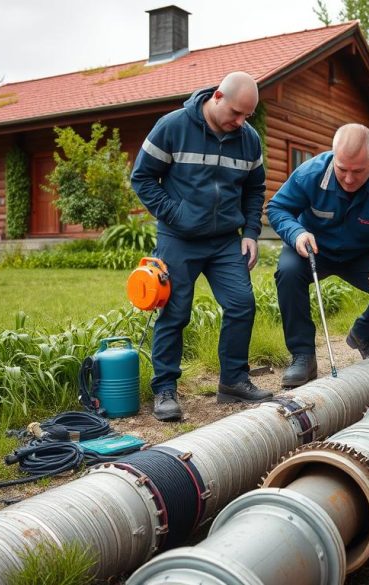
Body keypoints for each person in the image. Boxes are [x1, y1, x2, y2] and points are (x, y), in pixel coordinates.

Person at [131, 71, 273, 422]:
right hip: (178, 238)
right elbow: (142, 178)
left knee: (242, 304)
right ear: (218, 97)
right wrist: (175, 214)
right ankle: (165, 389)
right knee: (174, 312)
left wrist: (251, 232)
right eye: (237, 113)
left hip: (225, 240)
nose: (240, 122)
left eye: (247, 116)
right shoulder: (173, 126)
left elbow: (255, 188)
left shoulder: (248, 139)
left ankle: (233, 383)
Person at [266, 123, 369, 388]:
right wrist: (296, 233)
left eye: (358, 171)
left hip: (363, 251)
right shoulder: (310, 173)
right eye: (342, 170)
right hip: (313, 248)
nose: (349, 179)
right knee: (288, 272)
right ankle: (303, 356)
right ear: (332, 156)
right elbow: (278, 208)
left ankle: (364, 335)